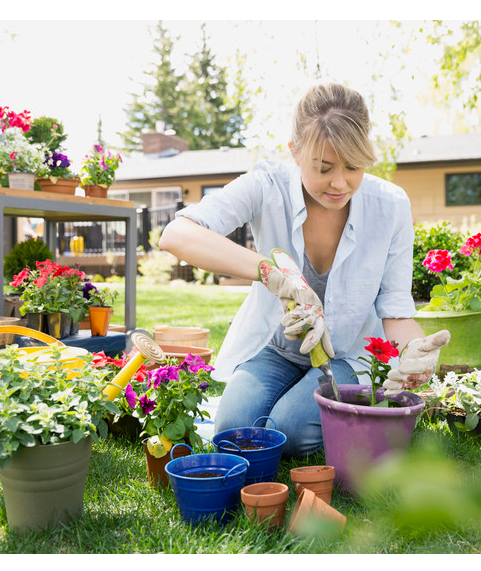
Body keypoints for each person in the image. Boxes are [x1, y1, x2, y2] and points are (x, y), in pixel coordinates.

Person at [159, 82, 448, 457]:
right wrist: (270, 273)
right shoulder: (266, 186)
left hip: (346, 354)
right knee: (232, 431)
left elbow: (395, 310)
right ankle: (311, 405)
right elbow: (176, 234)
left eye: (354, 166)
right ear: (295, 152)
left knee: (292, 434)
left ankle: (311, 409)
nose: (340, 183)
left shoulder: (389, 206)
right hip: (278, 349)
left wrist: (414, 349)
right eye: (324, 167)